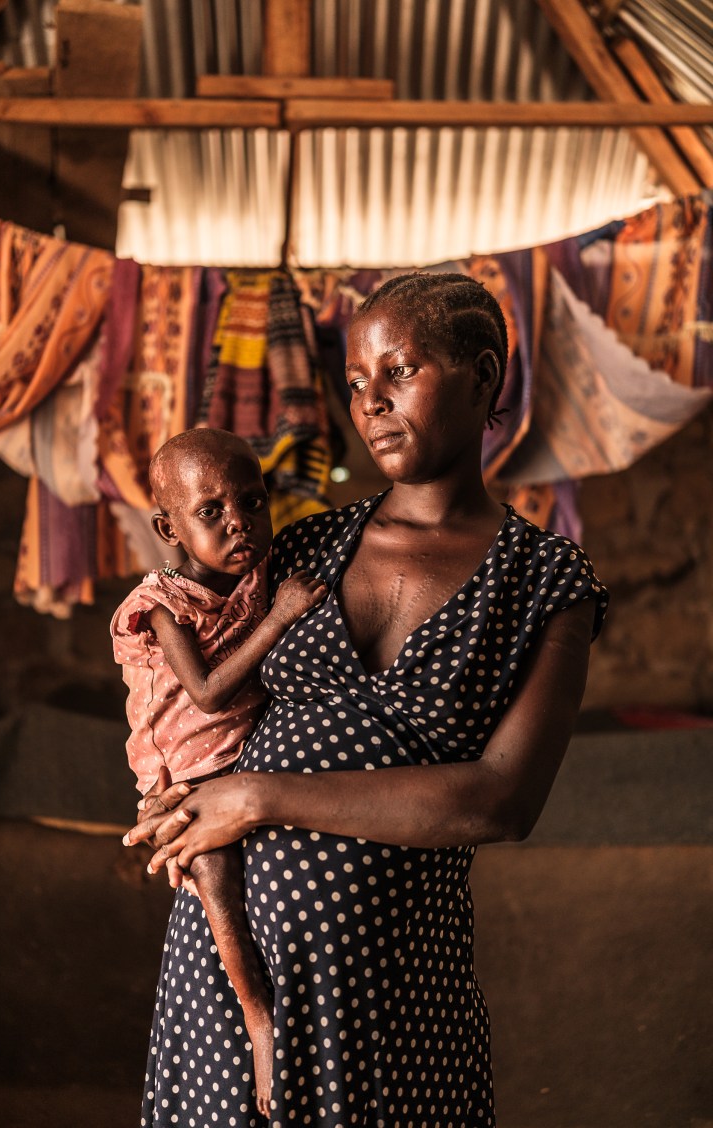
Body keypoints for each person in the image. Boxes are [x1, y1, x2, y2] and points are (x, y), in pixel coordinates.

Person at [124, 273, 609, 1128]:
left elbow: (503, 800)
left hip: (395, 997)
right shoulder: (306, 547)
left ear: (483, 376)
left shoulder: (545, 582)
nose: (371, 401)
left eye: (400, 371)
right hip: (233, 985)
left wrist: (256, 797)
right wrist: (171, 791)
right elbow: (189, 699)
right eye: (355, 381)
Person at [111, 427, 326, 1116]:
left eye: (253, 502)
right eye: (211, 512)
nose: (239, 523)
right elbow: (207, 693)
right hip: (185, 768)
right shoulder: (164, 607)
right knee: (217, 877)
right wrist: (282, 620)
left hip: (235, 761)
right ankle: (257, 1015)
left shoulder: (254, 574)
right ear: (167, 527)